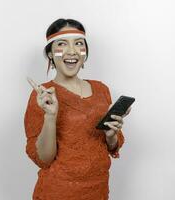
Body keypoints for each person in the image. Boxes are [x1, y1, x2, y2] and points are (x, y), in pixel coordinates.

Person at [24, 18, 132, 200]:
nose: (72, 51)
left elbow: (111, 146)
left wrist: (111, 135)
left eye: (79, 43)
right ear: (50, 53)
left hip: (98, 190)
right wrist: (51, 116)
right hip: (58, 192)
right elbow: (44, 159)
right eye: (62, 44)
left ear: (85, 53)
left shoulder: (101, 89)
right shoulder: (43, 95)